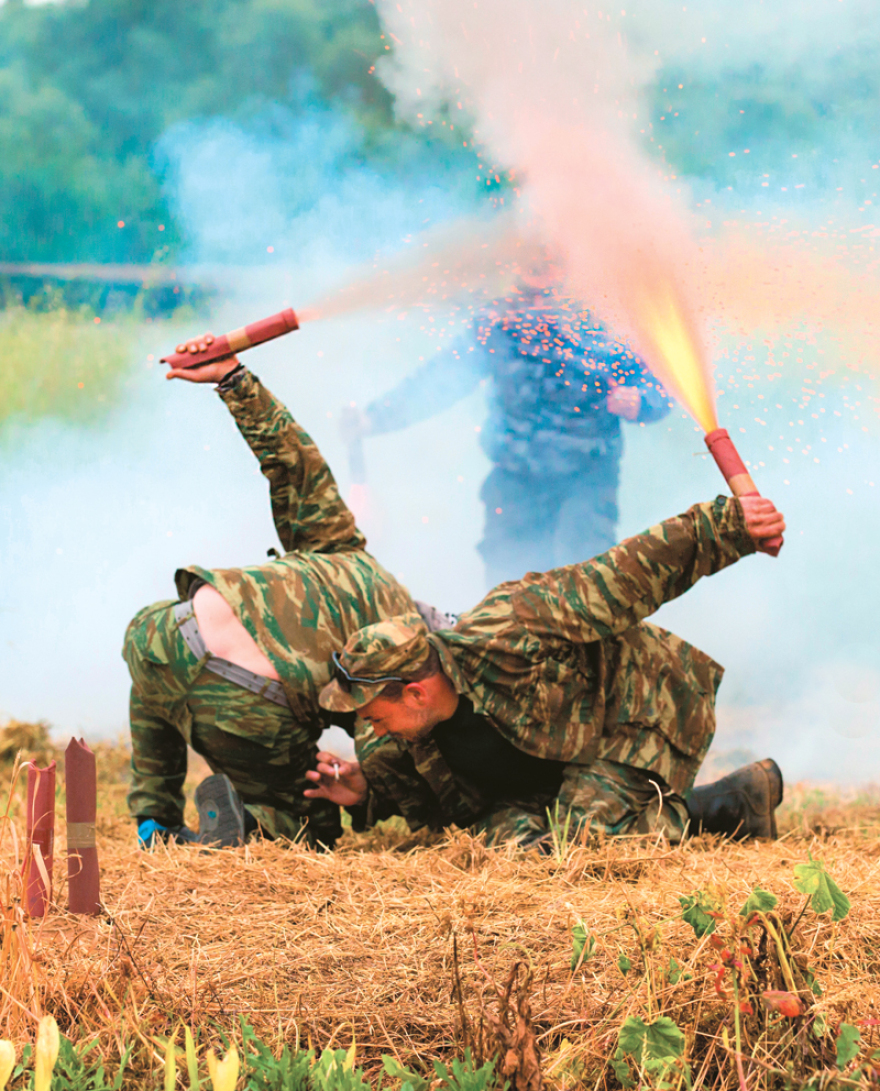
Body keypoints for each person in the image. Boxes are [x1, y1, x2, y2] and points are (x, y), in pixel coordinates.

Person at [306, 493, 787, 845]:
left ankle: (731, 803)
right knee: (506, 848)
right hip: (551, 772)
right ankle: (728, 801)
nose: (363, 724)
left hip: (630, 713)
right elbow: (423, 794)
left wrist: (728, 527)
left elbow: (621, 577)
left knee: (585, 849)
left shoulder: (512, 624)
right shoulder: (402, 731)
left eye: (371, 713)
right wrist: (365, 790)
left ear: (414, 693)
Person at [124, 341, 428, 850]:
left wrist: (233, 377)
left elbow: (293, 460)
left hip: (160, 631)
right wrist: (374, 794)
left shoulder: (341, 547)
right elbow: (384, 750)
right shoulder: (402, 657)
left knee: (157, 680)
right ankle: (242, 825)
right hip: (242, 698)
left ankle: (152, 822)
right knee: (312, 825)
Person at [344, 281, 671, 586]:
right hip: (513, 482)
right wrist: (374, 419)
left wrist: (641, 400)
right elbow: (439, 380)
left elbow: (661, 377)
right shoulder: (498, 322)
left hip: (585, 484)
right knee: (507, 591)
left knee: (586, 586)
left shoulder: (603, 317)